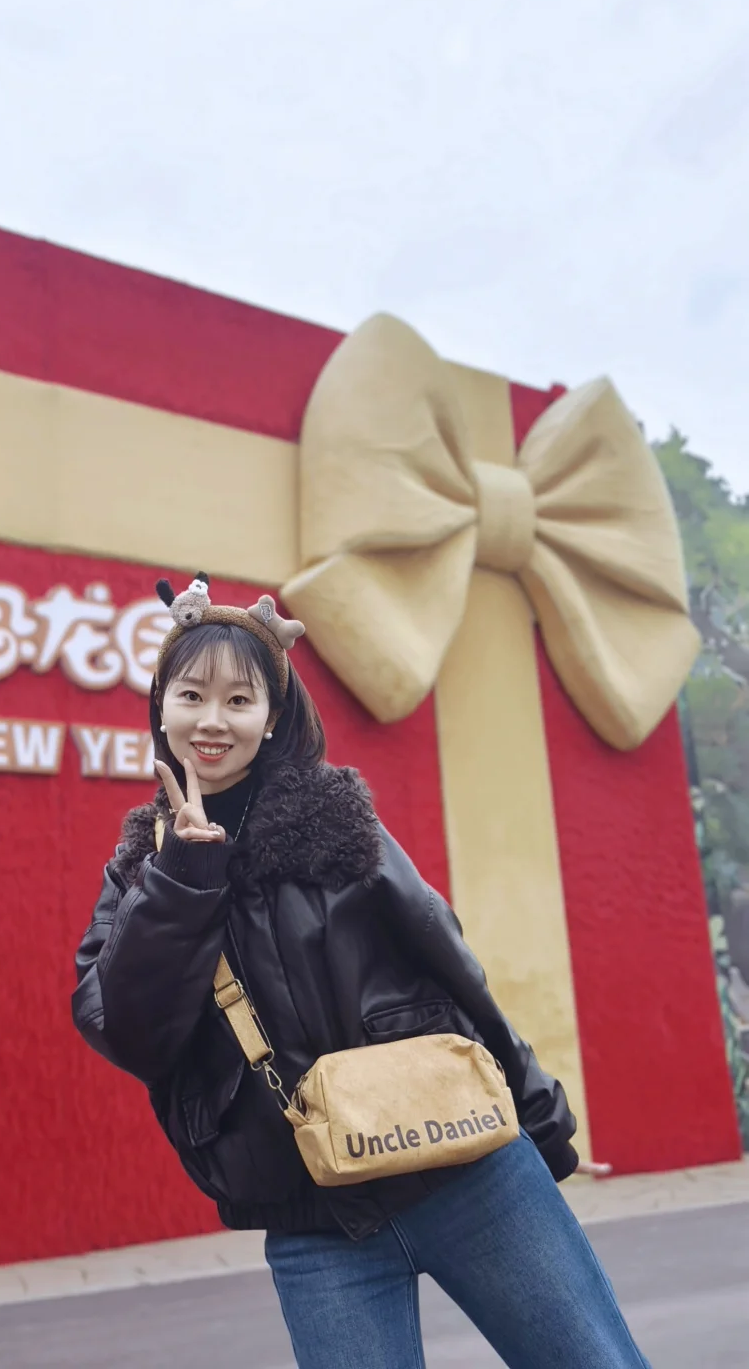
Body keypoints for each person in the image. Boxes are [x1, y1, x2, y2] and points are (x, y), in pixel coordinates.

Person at [73, 576, 650, 1368]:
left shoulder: (334, 817)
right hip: (314, 1223)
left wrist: (540, 1118)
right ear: (160, 708)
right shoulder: (141, 869)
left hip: (471, 1174)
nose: (212, 721)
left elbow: (450, 962)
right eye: (191, 695)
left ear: (272, 717)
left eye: (239, 700)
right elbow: (131, 1035)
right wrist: (183, 877)